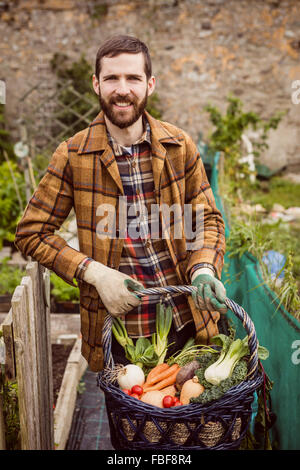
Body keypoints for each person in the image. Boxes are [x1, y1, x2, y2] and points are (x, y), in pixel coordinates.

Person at [14, 35, 227, 372]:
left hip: (190, 321)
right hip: (124, 335)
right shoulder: (73, 155)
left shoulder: (178, 145)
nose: (122, 89)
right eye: (112, 78)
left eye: (133, 78)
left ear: (150, 85)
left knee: (197, 421)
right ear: (97, 84)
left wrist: (203, 268)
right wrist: (95, 273)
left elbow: (208, 220)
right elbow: (32, 233)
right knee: (134, 426)